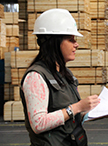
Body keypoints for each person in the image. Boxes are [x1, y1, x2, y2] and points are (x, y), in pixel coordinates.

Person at [20, 8, 100, 146]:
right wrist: (77, 107)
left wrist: (88, 110)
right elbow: (38, 123)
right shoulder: (36, 77)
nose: (76, 44)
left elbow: (68, 114)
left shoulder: (65, 74)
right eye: (70, 39)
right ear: (54, 42)